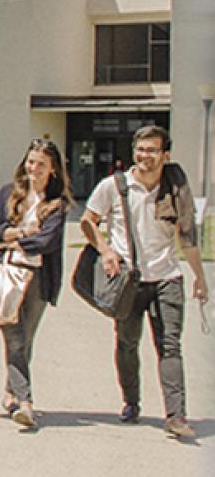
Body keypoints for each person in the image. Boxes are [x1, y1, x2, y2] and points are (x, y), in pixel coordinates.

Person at [80, 125, 207, 438]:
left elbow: (187, 237)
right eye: (141, 150)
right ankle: (131, 402)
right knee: (127, 344)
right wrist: (106, 250)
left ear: (166, 155)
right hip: (129, 280)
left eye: (152, 150)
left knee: (170, 346)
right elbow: (88, 221)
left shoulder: (174, 188)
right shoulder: (114, 186)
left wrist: (200, 278)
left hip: (167, 278)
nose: (145, 156)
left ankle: (176, 416)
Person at [0, 139, 72, 428]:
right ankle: (25, 403)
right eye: (31, 161)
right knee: (15, 338)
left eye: (41, 164)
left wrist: (9, 238)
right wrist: (22, 232)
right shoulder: (8, 194)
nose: (33, 168)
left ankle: (10, 391)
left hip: (37, 279)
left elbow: (46, 241)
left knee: (25, 339)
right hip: (6, 274)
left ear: (53, 170)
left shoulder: (57, 205)